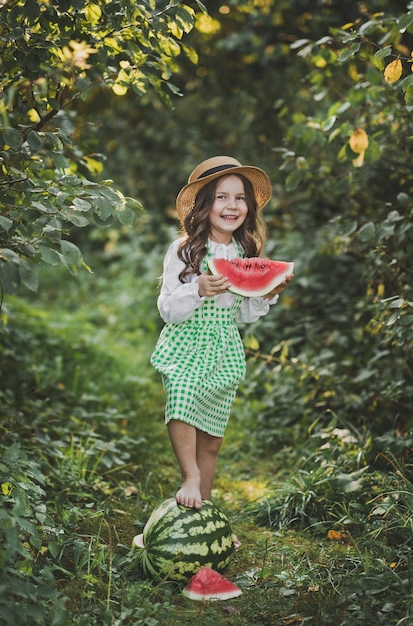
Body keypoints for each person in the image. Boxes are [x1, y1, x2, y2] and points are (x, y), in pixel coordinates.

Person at [151, 156, 293, 510]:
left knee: (212, 440)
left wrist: (266, 293)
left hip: (224, 347)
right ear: (203, 205)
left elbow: (244, 314)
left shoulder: (246, 253)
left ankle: (205, 511)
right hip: (186, 341)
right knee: (181, 400)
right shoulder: (184, 249)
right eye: (221, 197)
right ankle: (190, 476)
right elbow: (168, 310)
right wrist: (198, 288)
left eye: (240, 198)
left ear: (250, 206)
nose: (232, 206)